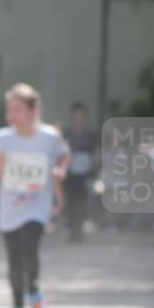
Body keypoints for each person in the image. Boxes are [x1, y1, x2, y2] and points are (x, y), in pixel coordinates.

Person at [0, 83, 69, 308]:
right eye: (9, 109)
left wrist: (60, 170)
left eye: (18, 109)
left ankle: (33, 290)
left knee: (28, 249)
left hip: (37, 207)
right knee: (14, 262)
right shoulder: (3, 138)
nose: (12, 115)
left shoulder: (48, 137)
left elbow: (65, 154)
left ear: (32, 110)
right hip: (9, 209)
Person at [63, 102, 96, 242]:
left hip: (85, 174)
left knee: (82, 202)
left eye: (80, 118)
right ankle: (72, 229)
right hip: (70, 174)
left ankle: (79, 229)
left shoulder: (90, 134)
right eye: (76, 118)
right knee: (70, 202)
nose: (78, 120)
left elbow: (95, 153)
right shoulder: (67, 134)